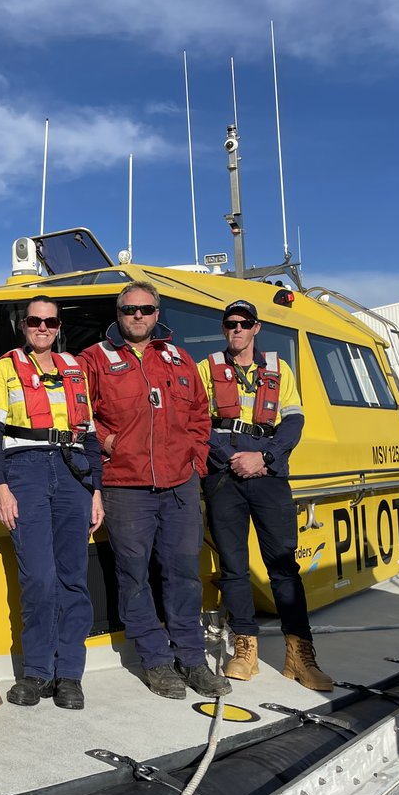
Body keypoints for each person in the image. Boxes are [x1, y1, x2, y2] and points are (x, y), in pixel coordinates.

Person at [78, 282, 231, 701]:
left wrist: (196, 459)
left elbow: (201, 413)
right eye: (129, 310)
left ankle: (193, 660)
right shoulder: (94, 359)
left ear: (157, 312)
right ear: (118, 313)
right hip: (126, 487)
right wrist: (109, 444)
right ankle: (157, 662)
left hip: (180, 484)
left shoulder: (179, 358)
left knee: (183, 574)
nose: (138, 316)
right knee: (134, 577)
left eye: (146, 309)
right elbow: (79, 413)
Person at [197, 300, 333, 691]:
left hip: (269, 474)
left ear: (256, 328)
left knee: (283, 565)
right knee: (234, 566)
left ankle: (300, 656)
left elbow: (293, 421)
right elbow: (197, 422)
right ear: (224, 329)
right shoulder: (207, 369)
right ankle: (246, 649)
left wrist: (264, 457)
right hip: (224, 477)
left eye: (244, 323)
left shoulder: (278, 369)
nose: (237, 329)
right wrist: (231, 459)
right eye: (230, 324)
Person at [0, 296, 104, 710]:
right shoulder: (4, 368)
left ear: (57, 326)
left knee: (73, 578)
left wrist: (96, 492)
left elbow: (88, 435)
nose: (42, 327)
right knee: (38, 578)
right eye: (35, 320)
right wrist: (0, 487)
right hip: (25, 473)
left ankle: (69, 674)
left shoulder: (75, 370)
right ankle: (36, 672)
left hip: (73, 474)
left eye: (50, 321)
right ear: (23, 324)